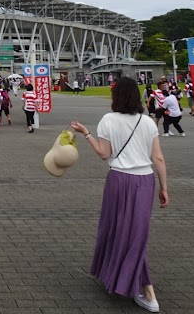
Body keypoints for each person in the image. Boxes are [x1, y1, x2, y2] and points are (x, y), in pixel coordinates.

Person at [71, 77, 168, 313]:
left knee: (116, 228)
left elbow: (104, 154)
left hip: (119, 179)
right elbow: (158, 158)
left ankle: (147, 291)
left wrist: (86, 134)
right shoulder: (147, 122)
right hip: (145, 181)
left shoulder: (108, 120)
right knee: (136, 233)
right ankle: (124, 280)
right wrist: (164, 187)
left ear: (116, 96)